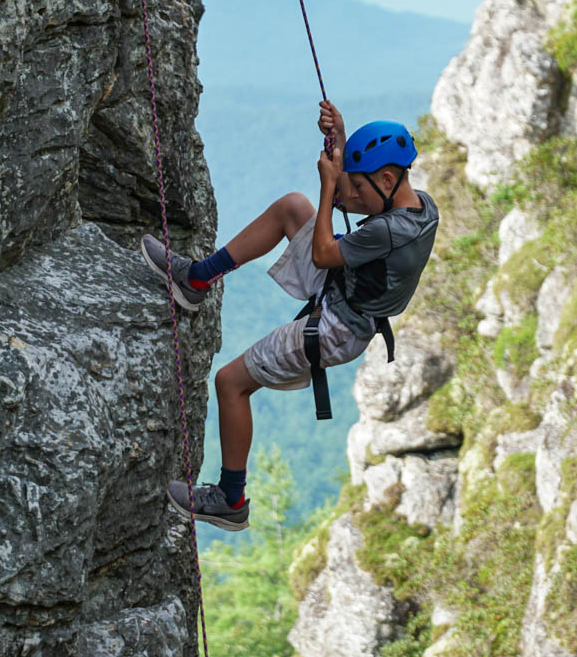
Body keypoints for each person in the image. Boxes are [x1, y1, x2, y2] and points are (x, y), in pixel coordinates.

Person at [140, 100, 439, 530]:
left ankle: (230, 499)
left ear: (387, 179)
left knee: (230, 383)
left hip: (337, 328)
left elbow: (323, 253)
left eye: (357, 187)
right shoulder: (420, 206)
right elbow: (354, 206)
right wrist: (340, 141)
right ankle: (198, 279)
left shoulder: (389, 229)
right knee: (291, 208)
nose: (347, 195)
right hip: (347, 290)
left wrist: (329, 183)